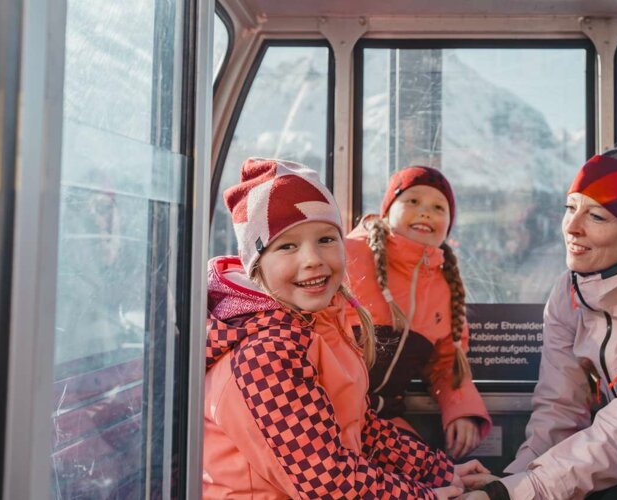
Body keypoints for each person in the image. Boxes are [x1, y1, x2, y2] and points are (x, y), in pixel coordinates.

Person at [202, 158, 483, 498]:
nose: (313, 259)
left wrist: (440, 472)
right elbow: (328, 483)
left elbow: (360, 428)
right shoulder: (263, 354)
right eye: (287, 246)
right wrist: (426, 495)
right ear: (257, 264)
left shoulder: (320, 323)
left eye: (325, 239)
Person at [466, 148, 617, 499]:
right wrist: (511, 482)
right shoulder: (569, 290)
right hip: (604, 463)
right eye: (570, 208)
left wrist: (519, 492)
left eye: (597, 216)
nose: (571, 226)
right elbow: (559, 407)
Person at [345, 166, 491, 459]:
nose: (425, 212)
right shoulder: (349, 256)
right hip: (331, 414)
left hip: (382, 420)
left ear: (448, 225)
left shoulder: (443, 287)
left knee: (440, 479)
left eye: (438, 207)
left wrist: (462, 410)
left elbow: (447, 363)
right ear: (387, 211)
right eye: (412, 202)